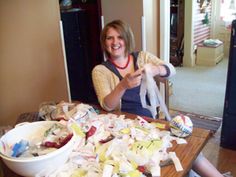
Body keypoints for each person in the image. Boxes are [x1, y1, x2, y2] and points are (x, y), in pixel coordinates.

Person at [92, 19, 224, 177]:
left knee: (188, 150)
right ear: (104, 42)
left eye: (120, 37)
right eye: (109, 38)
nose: (115, 42)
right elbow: (107, 106)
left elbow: (171, 69)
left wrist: (156, 69)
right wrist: (122, 86)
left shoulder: (142, 57)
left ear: (127, 38)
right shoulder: (100, 71)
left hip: (153, 122)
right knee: (166, 161)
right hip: (125, 129)